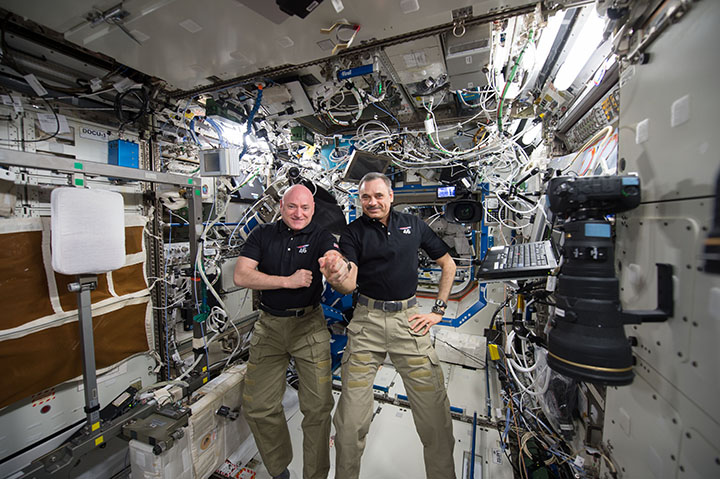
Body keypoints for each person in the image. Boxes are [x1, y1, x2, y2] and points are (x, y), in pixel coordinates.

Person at [319, 172, 457, 479]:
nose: (372, 202)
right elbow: (350, 280)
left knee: (435, 418)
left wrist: (439, 309)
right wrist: (338, 274)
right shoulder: (352, 233)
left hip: (408, 322)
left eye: (379, 195)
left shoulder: (414, 225)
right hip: (366, 324)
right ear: (360, 199)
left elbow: (448, 264)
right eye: (366, 197)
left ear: (391, 197)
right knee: (350, 422)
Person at [234, 184, 348, 479]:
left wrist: (335, 265)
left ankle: (315, 475)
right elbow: (241, 274)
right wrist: (287, 281)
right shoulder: (262, 234)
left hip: (308, 326)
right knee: (258, 406)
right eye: (292, 207)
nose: (299, 213)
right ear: (281, 207)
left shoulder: (321, 236)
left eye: (305, 208)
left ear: (313, 209)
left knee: (318, 409)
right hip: (269, 328)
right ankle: (278, 469)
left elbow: (333, 258)